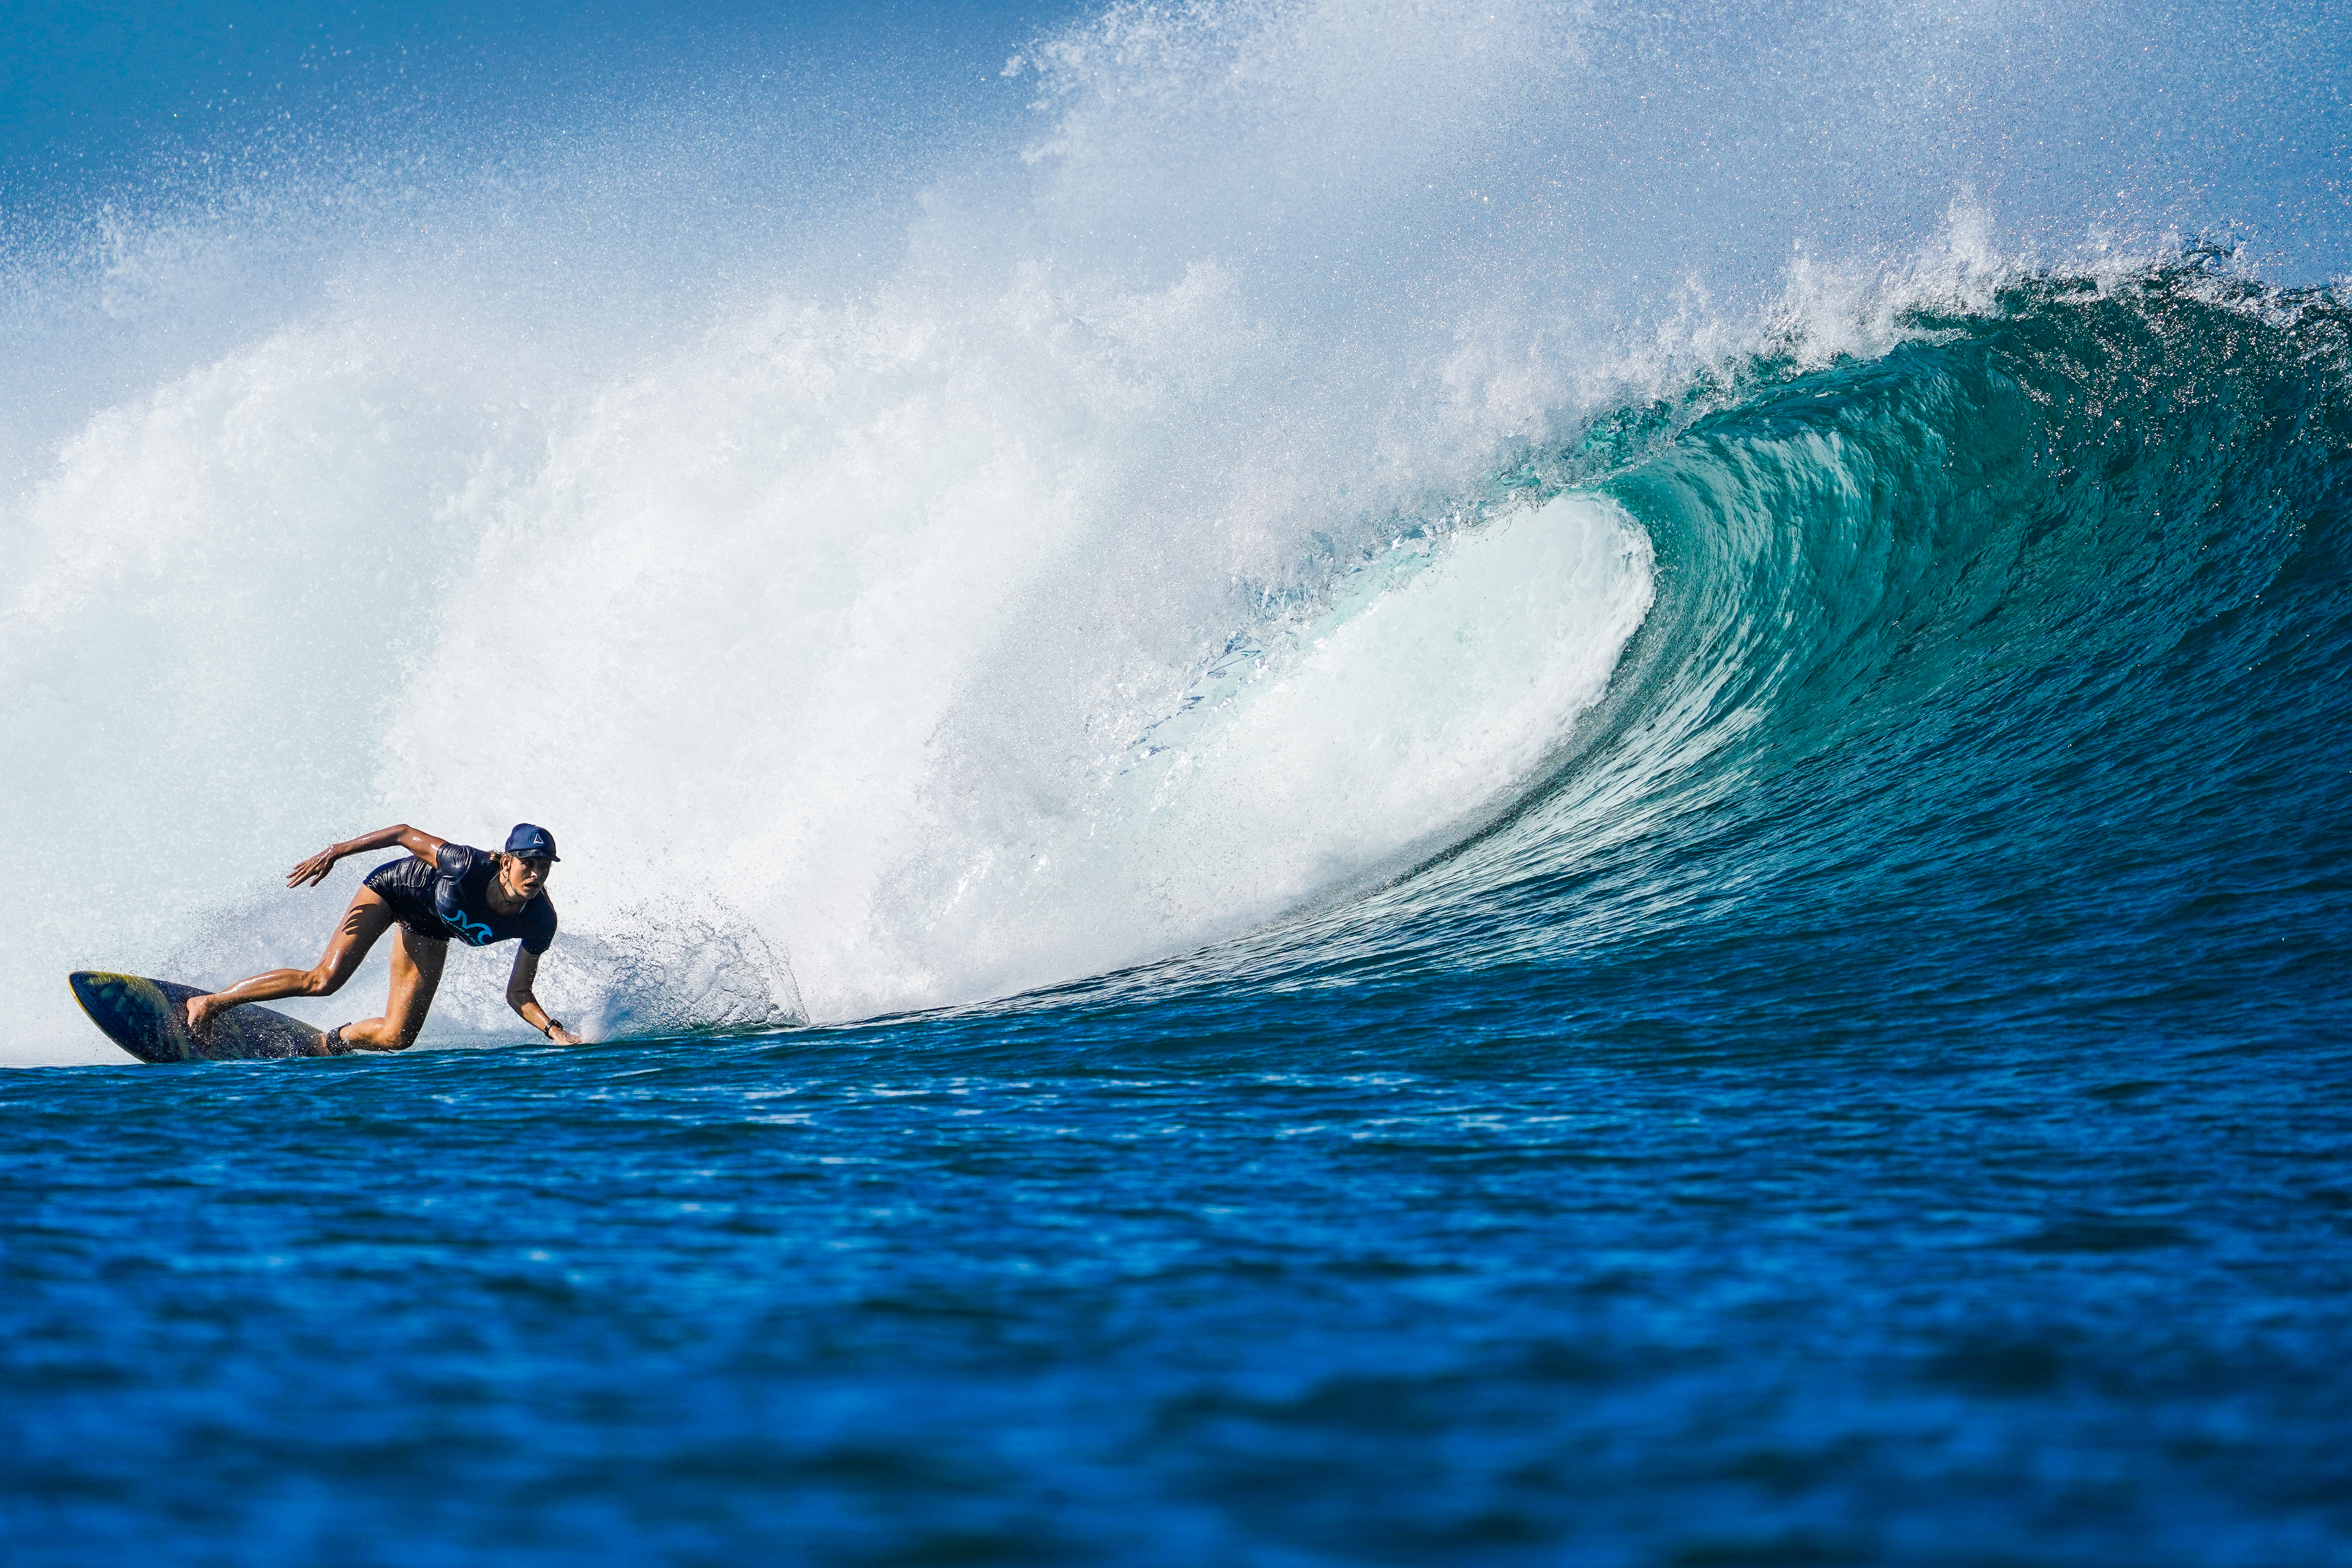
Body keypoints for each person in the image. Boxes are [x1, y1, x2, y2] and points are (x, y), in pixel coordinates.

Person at [185, 823, 584, 1053]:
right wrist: (337, 851)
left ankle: (328, 1044)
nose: (535, 874)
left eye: (543, 867)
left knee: (399, 1037)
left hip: (428, 928)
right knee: (324, 980)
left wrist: (554, 1031)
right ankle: (211, 1003)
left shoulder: (539, 921)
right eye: (528, 864)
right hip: (394, 890)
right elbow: (403, 834)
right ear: (506, 861)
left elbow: (520, 993)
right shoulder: (465, 864)